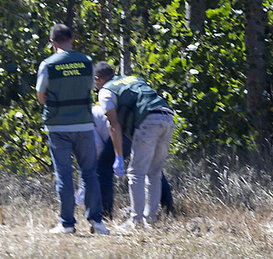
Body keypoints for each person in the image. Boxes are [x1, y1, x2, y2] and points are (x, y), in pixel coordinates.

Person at [36, 24, 109, 235]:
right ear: (72, 39)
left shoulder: (48, 64)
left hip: (58, 126)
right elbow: (89, 87)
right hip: (84, 126)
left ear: (53, 43)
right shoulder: (86, 62)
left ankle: (67, 224)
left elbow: (41, 97)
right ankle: (97, 222)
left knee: (64, 175)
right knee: (89, 174)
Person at [94, 61, 175, 229]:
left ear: (98, 79)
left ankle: (136, 220)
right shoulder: (132, 79)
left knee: (136, 173)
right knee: (154, 173)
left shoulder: (105, 92)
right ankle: (150, 219)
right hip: (167, 117)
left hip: (148, 122)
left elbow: (114, 125)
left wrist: (118, 156)